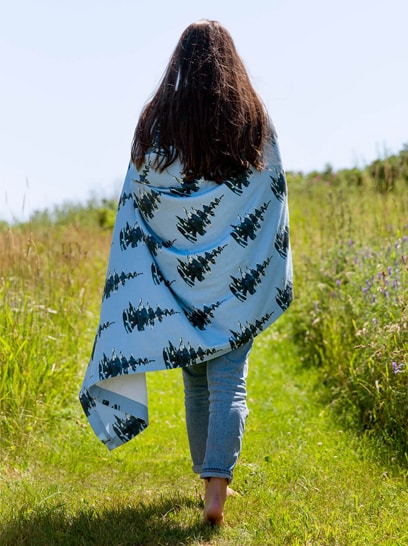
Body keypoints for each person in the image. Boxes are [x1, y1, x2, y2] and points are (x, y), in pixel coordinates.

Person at [79, 19, 293, 526]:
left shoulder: (156, 123)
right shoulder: (252, 119)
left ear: (179, 62)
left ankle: (209, 486)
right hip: (235, 280)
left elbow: (140, 201)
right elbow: (271, 192)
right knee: (228, 383)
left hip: (177, 287)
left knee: (196, 383)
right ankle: (216, 488)